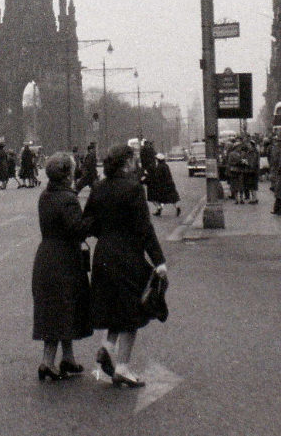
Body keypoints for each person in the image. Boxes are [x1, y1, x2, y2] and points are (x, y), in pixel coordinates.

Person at [83, 144, 167, 388]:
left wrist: (105, 232)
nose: (135, 164)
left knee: (113, 304)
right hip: (128, 253)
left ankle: (107, 346)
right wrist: (159, 261)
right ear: (126, 162)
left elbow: (89, 222)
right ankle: (122, 367)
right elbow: (144, 228)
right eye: (133, 160)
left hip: (104, 253)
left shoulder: (98, 187)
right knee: (132, 311)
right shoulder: (133, 188)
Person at [31, 153, 93, 381]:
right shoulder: (68, 199)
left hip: (47, 255)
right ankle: (47, 363)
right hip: (64, 259)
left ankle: (68, 359)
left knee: (61, 307)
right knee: (60, 308)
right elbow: (78, 229)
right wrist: (92, 217)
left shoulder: (45, 196)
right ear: (67, 174)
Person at [143, 147, 181, 217]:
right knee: (172, 199)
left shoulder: (159, 167)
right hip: (170, 185)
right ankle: (177, 207)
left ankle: (159, 208)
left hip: (163, 186)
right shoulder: (166, 166)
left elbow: (158, 177)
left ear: (158, 160)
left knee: (154, 197)